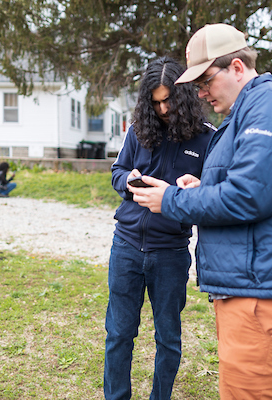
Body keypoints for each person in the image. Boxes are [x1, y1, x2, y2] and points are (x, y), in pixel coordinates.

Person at [129, 24, 272, 399]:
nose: (200, 93)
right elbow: (256, 185)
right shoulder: (250, 111)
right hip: (254, 284)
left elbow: (248, 197)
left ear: (238, 68)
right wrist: (205, 189)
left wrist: (172, 201)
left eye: (206, 81)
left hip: (265, 290)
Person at [104, 56, 215, 400]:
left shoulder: (207, 139)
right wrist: (130, 182)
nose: (163, 109)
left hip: (170, 254)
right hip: (126, 247)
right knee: (119, 334)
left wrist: (196, 187)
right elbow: (117, 172)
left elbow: (211, 196)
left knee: (168, 337)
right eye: (155, 102)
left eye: (169, 100)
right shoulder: (140, 130)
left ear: (183, 95)